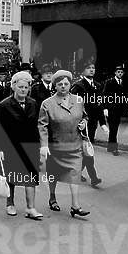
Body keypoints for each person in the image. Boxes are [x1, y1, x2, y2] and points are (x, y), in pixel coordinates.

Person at [38, 69, 90, 218]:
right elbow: (42, 126)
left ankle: (75, 205)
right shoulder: (47, 104)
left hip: (75, 144)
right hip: (56, 145)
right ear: (55, 86)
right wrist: (44, 145)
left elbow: (85, 116)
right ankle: (52, 197)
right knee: (53, 173)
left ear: (70, 84)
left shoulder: (79, 100)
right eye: (59, 84)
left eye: (66, 83)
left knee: (75, 174)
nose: (63, 86)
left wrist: (83, 123)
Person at [0, 71, 42, 219]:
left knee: (31, 177)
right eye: (20, 87)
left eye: (26, 87)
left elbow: (37, 126)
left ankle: (30, 208)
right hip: (11, 145)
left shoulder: (33, 103)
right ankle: (10, 203)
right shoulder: (4, 105)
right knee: (11, 177)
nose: (23, 90)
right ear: (14, 87)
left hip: (30, 145)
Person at [71, 61, 108, 187]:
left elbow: (99, 105)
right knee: (86, 150)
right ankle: (93, 177)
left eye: (93, 68)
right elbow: (74, 106)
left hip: (92, 123)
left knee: (85, 150)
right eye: (88, 68)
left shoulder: (98, 85)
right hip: (80, 123)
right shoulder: (78, 86)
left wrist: (103, 123)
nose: (91, 70)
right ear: (82, 71)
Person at [103, 64, 128, 155]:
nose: (120, 73)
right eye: (118, 72)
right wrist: (105, 108)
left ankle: (110, 146)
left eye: (121, 72)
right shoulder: (109, 82)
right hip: (111, 108)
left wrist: (127, 108)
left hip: (119, 109)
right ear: (115, 73)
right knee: (113, 128)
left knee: (115, 128)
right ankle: (114, 148)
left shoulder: (123, 82)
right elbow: (105, 95)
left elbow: (125, 96)